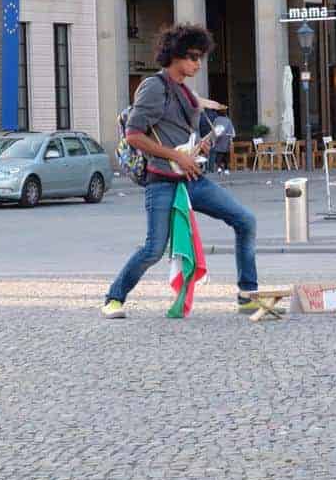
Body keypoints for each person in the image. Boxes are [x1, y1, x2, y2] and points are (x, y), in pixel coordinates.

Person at [102, 24, 258, 318]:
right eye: (192, 57)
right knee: (153, 249)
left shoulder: (186, 91)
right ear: (174, 56)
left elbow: (180, 137)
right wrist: (175, 155)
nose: (198, 63)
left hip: (191, 178)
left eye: (200, 57)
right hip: (161, 182)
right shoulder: (153, 87)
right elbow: (134, 135)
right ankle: (114, 297)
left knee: (245, 220)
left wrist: (199, 148)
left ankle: (247, 293)